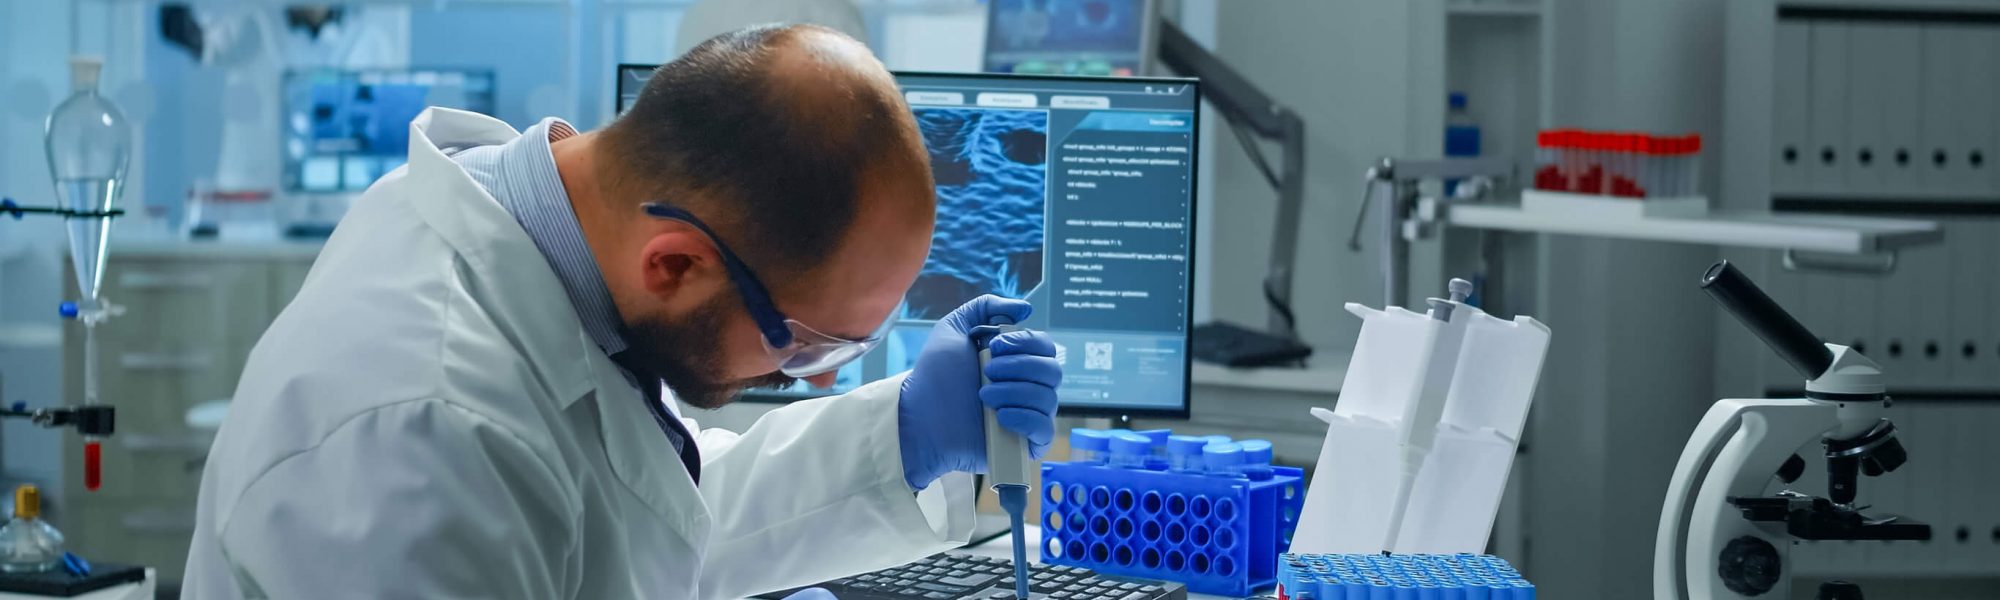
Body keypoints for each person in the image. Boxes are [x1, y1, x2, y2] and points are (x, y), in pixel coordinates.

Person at [181, 24, 1063, 599]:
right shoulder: (423, 442)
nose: (823, 373)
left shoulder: (555, 242)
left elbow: (628, 516)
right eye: (804, 344)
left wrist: (901, 435)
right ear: (675, 263)